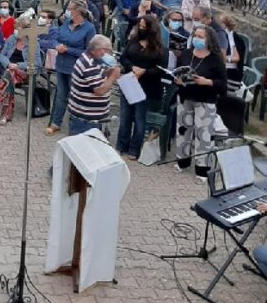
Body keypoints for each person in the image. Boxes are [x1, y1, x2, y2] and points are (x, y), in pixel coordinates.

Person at [175, 24, 227, 180]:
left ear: (208, 39)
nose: (197, 39)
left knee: (203, 135)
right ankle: (182, 162)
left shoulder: (215, 59)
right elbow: (178, 71)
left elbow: (223, 84)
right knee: (183, 131)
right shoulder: (186, 53)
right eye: (195, 36)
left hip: (205, 100)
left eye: (201, 37)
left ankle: (202, 170)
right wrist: (177, 80)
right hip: (185, 97)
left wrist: (207, 82)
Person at [41, 0, 97, 135]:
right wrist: (56, 45)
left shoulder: (89, 28)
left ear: (77, 11)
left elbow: (89, 51)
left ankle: (75, 125)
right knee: (60, 95)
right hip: (61, 65)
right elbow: (56, 37)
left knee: (75, 97)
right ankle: (56, 122)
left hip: (76, 68)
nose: (67, 12)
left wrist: (68, 50)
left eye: (70, 9)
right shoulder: (66, 23)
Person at [117, 16, 167, 159]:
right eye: (140, 26)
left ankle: (134, 149)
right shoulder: (133, 41)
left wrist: (144, 71)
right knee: (125, 116)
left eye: (145, 27)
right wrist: (132, 67)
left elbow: (160, 69)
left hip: (146, 86)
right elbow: (124, 57)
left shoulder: (159, 48)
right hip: (129, 82)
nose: (142, 29)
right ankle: (121, 145)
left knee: (140, 119)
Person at [0, 18, 42, 124]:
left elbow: (37, 63)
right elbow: (2, 54)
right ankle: (5, 115)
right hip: (9, 71)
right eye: (16, 28)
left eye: (20, 28)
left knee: (9, 74)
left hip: (26, 73)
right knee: (9, 78)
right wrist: (8, 64)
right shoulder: (12, 38)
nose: (16, 31)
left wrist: (18, 65)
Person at [66, 34, 121, 136]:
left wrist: (108, 73)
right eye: (108, 50)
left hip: (90, 118)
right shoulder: (89, 65)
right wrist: (113, 77)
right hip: (86, 120)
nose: (109, 54)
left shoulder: (92, 59)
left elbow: (98, 78)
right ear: (100, 50)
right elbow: (99, 91)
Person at [219, 14, 247, 93]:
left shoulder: (235, 40)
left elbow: (237, 58)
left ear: (225, 24)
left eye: (221, 23)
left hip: (231, 73)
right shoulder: (220, 35)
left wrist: (226, 59)